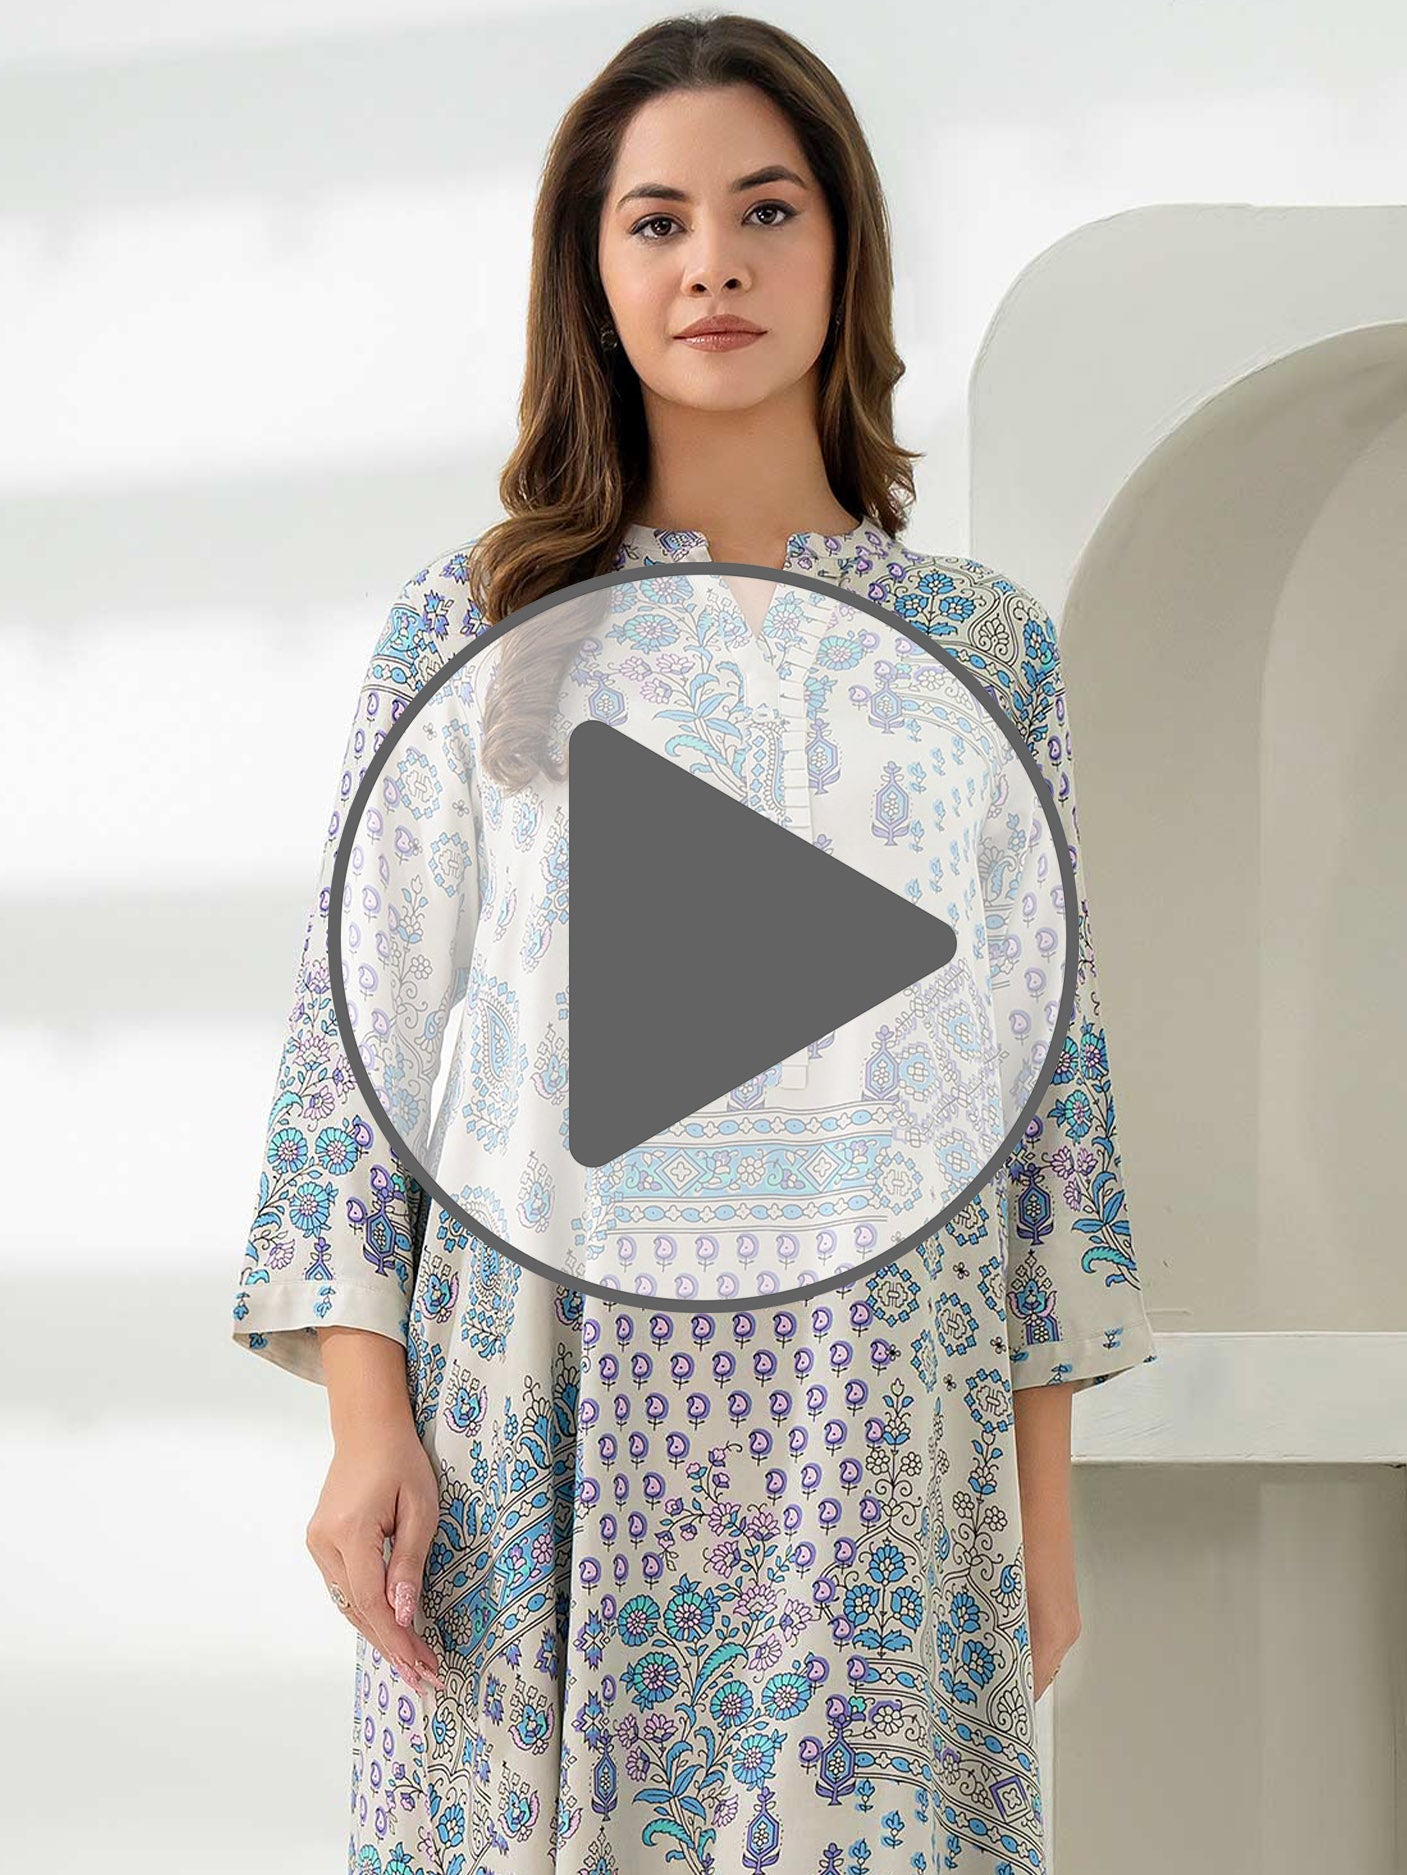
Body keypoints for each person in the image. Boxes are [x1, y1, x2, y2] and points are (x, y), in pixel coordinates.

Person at [232, 14, 1157, 1873]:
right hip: (541, 1416)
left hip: (880, 1428)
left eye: (765, 209)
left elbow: (1047, 1102)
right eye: (656, 221)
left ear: (845, 248)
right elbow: (358, 1046)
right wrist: (365, 1423)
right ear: (593, 270)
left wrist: (1042, 1519)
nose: (713, 262)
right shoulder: (474, 626)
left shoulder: (989, 650)